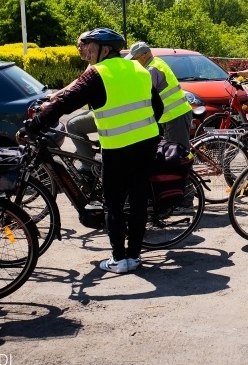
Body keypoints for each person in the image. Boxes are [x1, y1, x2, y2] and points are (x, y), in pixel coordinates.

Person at [28, 28, 162, 274]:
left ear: (105, 49)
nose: (86, 52)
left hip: (117, 147)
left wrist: (34, 124)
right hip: (146, 144)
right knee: (138, 202)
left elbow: (66, 102)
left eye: (90, 47)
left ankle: (119, 259)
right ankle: (134, 257)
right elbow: (158, 107)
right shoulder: (138, 69)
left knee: (114, 204)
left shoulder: (99, 73)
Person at [127, 41, 193, 149]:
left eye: (134, 59)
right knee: (171, 151)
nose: (133, 62)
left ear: (144, 56)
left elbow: (146, 95)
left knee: (179, 153)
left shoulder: (151, 69)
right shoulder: (157, 61)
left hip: (175, 115)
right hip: (172, 115)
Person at [56, 32, 98, 173]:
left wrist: (54, 104)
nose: (79, 48)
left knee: (72, 125)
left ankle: (88, 167)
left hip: (106, 115)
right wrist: (55, 95)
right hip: (104, 113)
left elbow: (77, 92)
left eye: (82, 45)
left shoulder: (96, 65)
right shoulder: (93, 63)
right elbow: (79, 81)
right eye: (77, 46)